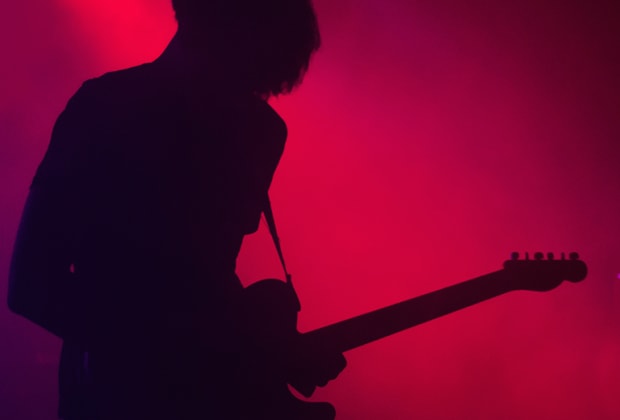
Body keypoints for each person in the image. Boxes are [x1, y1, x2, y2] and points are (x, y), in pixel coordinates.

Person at [8, 1, 345, 418]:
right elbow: (33, 286)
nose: (254, 94)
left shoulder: (262, 132)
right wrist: (178, 356)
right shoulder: (103, 109)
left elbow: (201, 277)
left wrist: (271, 349)